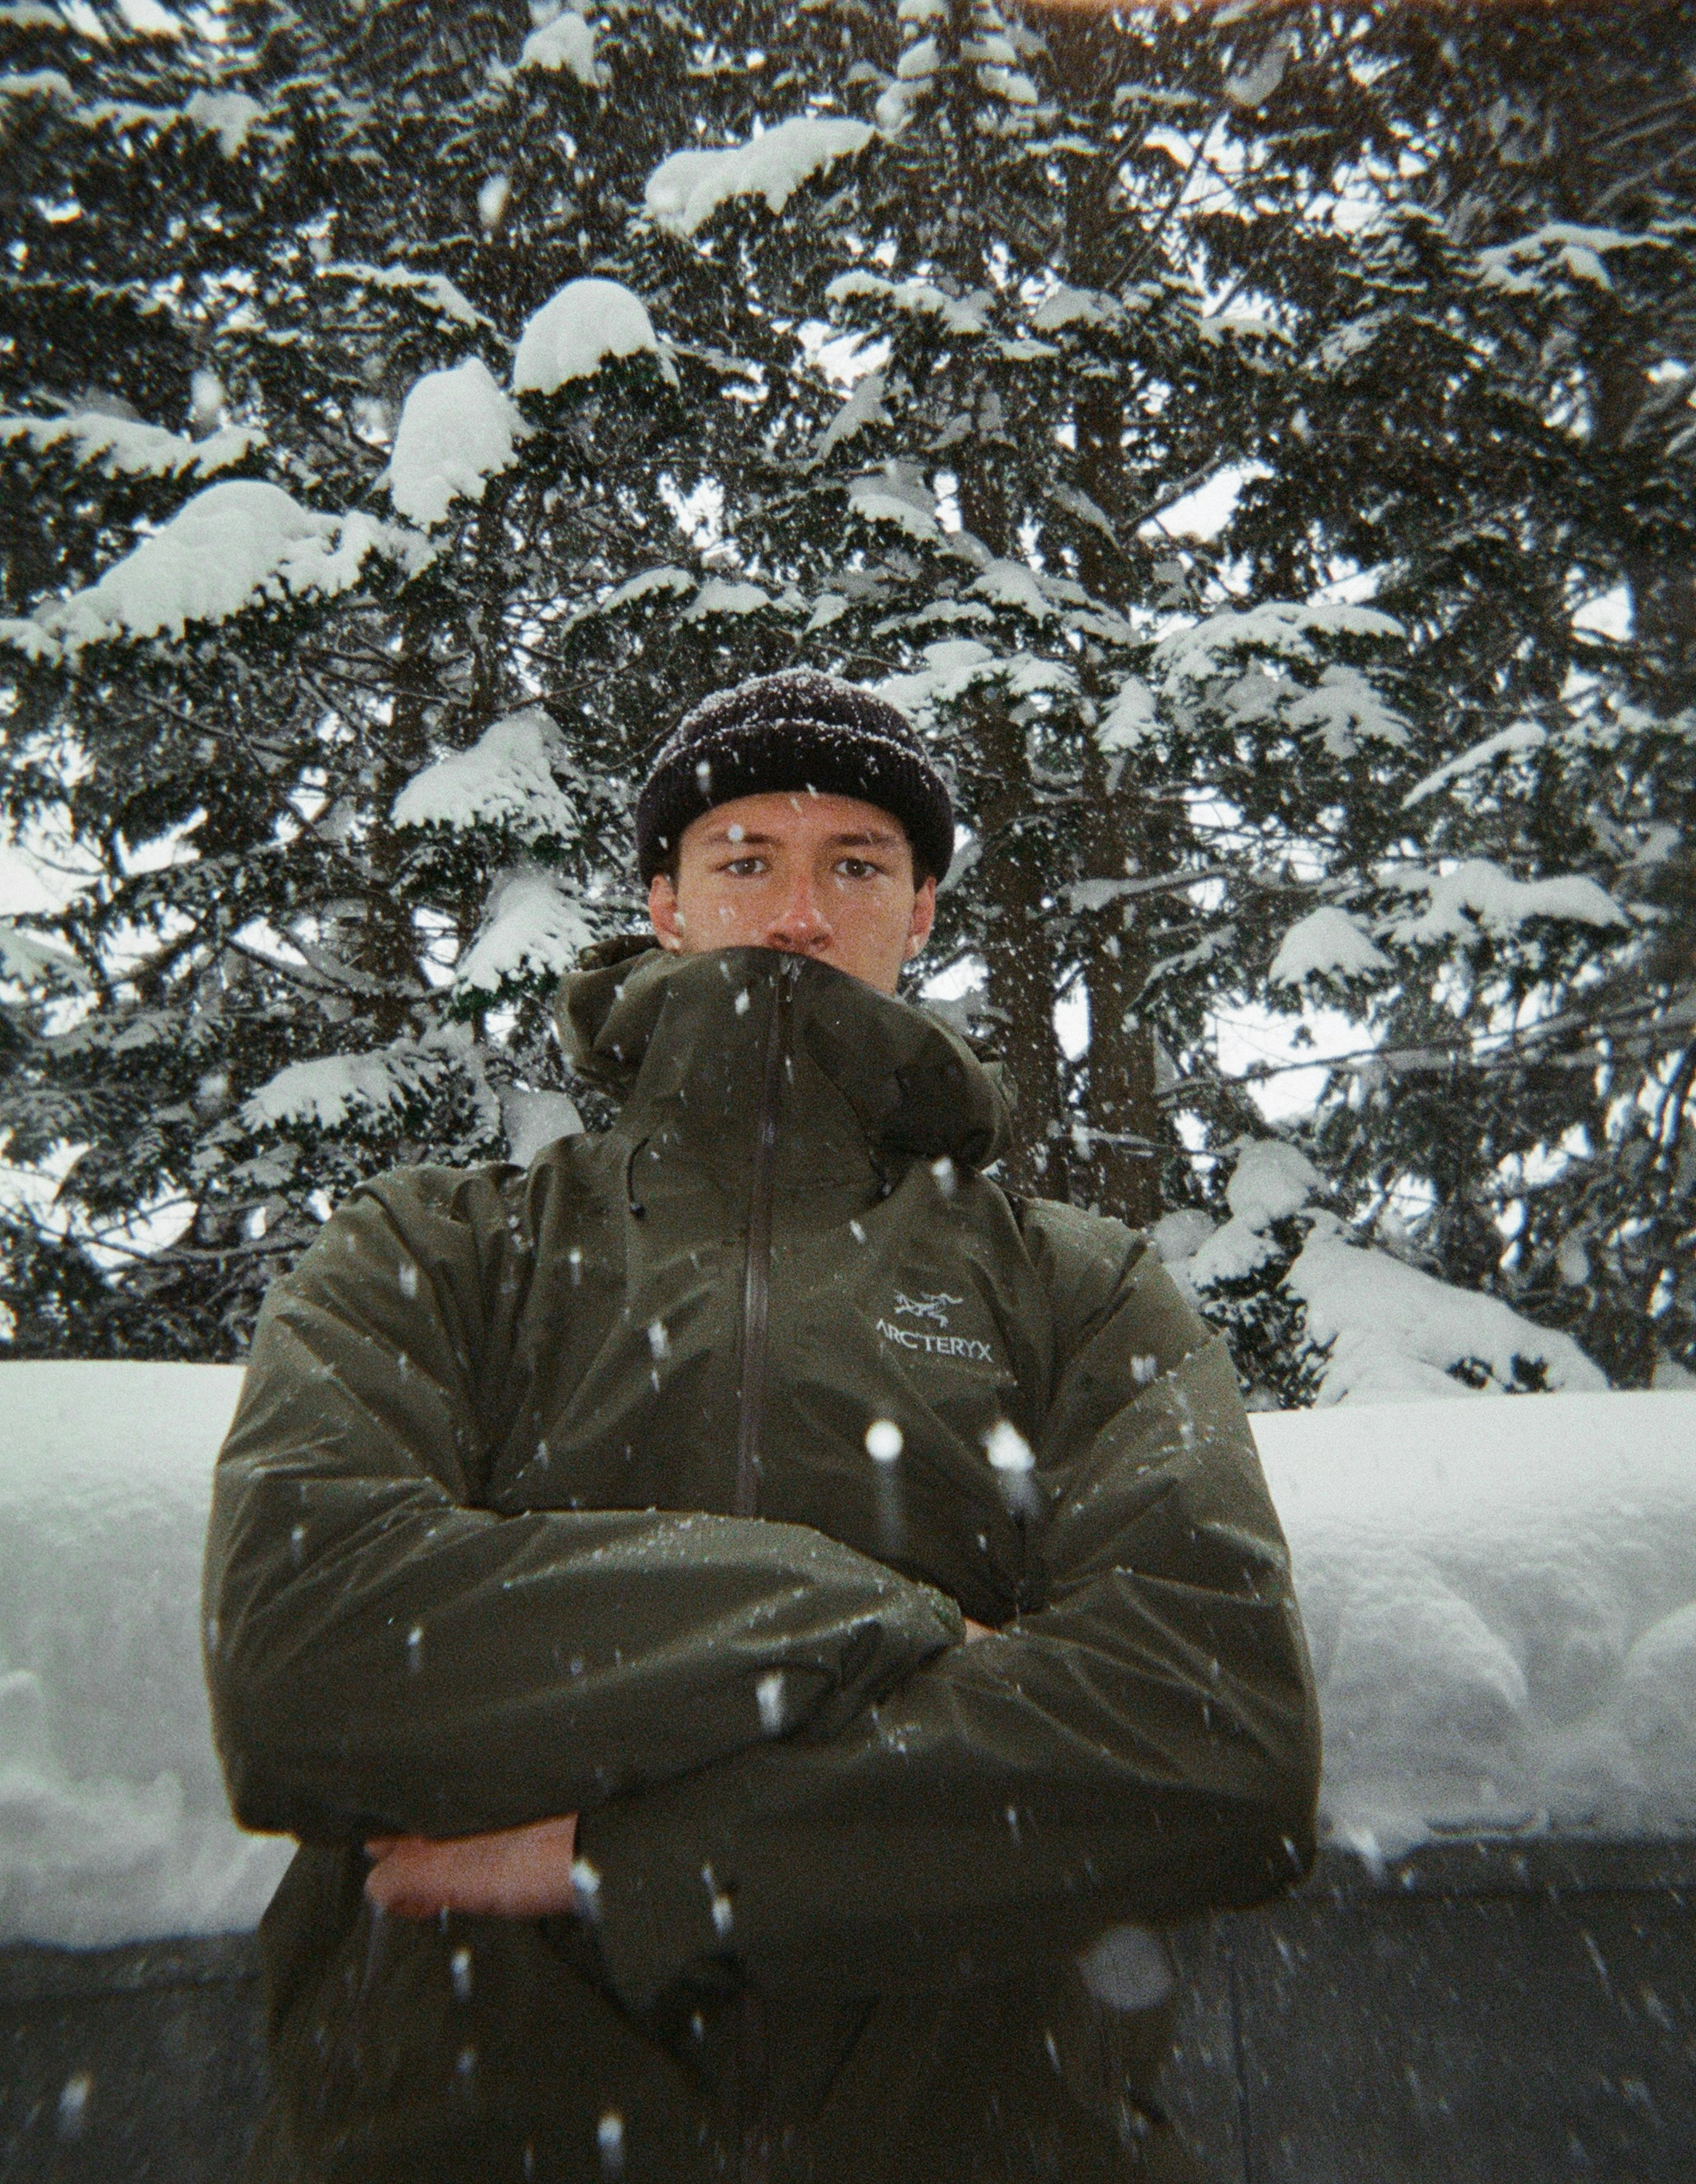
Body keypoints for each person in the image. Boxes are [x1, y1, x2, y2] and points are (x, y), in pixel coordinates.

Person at [203, 669, 1320, 2184]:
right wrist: (877, 1631)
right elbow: (309, 1656)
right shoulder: (444, 1249)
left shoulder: (1073, 1285)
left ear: (920, 913)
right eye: (745, 861)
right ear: (663, 902)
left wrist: (631, 1867)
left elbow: (1213, 1742)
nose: (799, 912)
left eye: (855, 864)